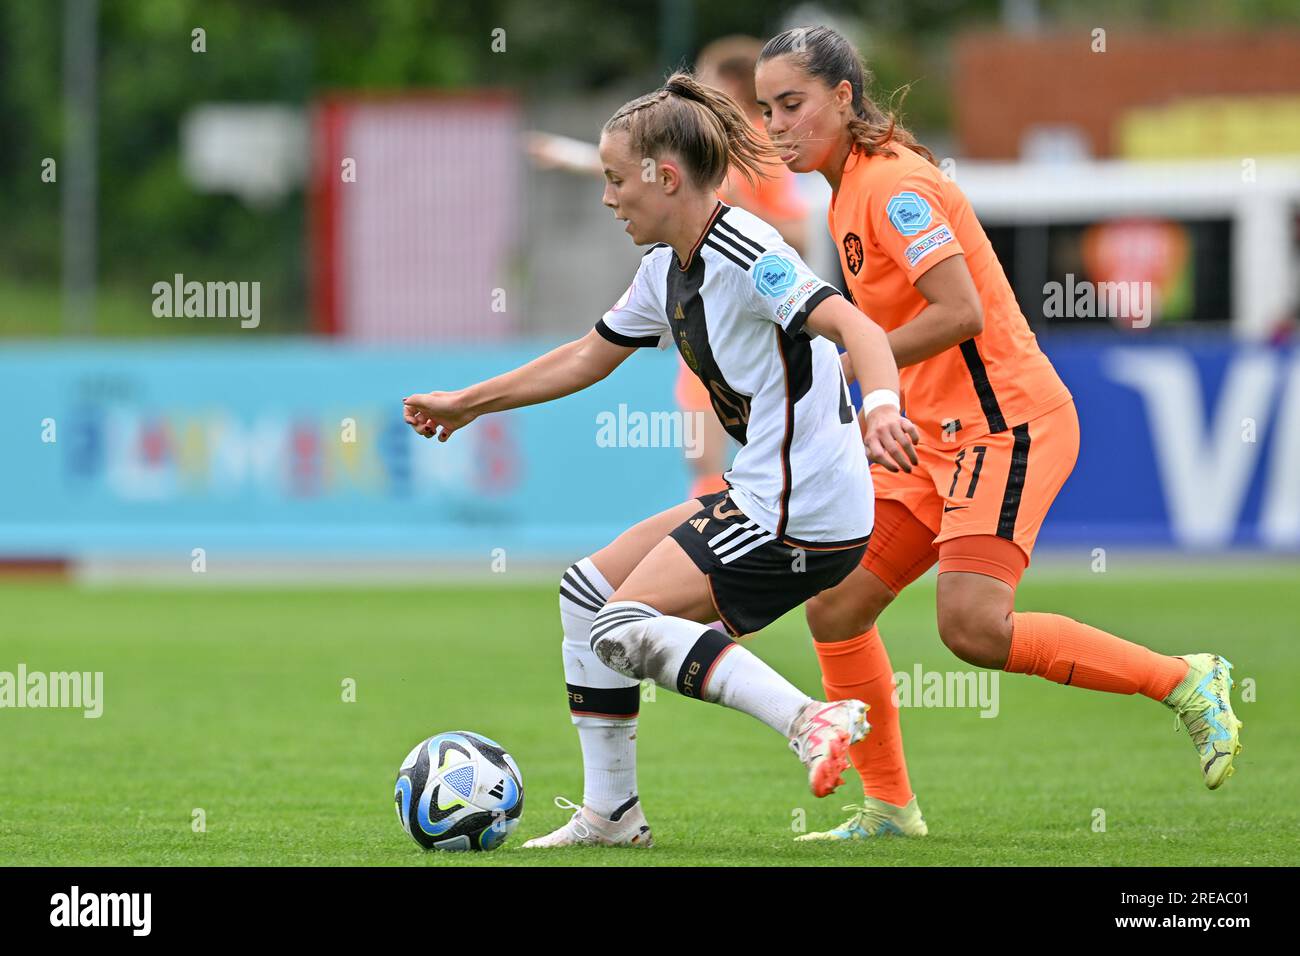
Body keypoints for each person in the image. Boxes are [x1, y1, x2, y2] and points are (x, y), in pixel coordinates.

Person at [753, 25, 1243, 842]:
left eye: (792, 105)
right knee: (835, 605)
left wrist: (851, 370)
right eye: (766, 109)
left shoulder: (892, 187)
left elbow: (961, 313)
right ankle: (888, 810)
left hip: (1005, 426)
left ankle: (1186, 679)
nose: (775, 126)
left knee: (972, 628)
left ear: (844, 97)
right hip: (934, 439)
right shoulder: (842, 192)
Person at [404, 71, 920, 848]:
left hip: (802, 508)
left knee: (622, 626)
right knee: (588, 594)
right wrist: (468, 403)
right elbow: (587, 356)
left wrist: (882, 408)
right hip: (762, 493)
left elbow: (860, 329)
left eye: (615, 181)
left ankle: (808, 719)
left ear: (665, 178)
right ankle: (611, 814)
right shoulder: (665, 267)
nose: (608, 198)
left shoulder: (751, 252)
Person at [527, 35, 810, 501]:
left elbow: (799, 236)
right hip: (700, 312)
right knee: (701, 451)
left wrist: (734, 210)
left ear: (733, 84)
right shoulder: (681, 183)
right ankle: (709, 533)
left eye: (708, 79)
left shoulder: (758, 153)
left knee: (770, 447)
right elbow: (640, 171)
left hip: (754, 316)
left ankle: (746, 533)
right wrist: (569, 155)